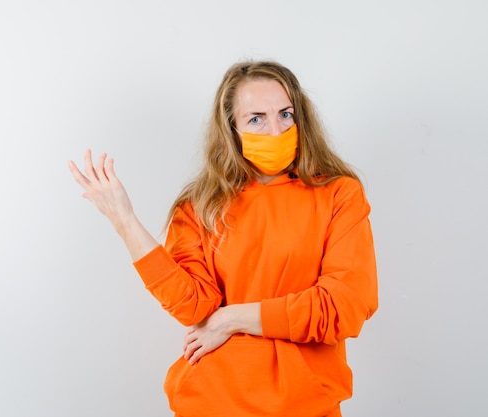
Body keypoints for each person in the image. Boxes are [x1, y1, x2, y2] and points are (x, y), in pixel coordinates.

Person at [68, 60, 378, 417]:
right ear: (232, 129)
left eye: (286, 114)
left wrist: (232, 318)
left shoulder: (338, 194)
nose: (275, 130)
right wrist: (124, 220)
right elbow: (194, 307)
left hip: (306, 405)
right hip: (211, 401)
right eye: (256, 119)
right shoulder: (201, 205)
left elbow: (343, 308)